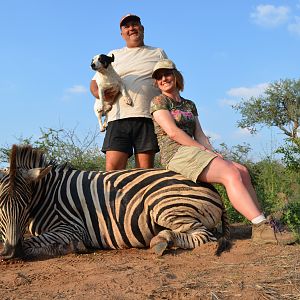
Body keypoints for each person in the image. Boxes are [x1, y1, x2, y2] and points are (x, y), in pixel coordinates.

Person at [150, 59, 296, 245]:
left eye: (167, 74)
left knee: (242, 170)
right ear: (156, 82)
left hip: (194, 150)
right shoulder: (159, 101)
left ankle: (262, 225)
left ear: (176, 75)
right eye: (159, 77)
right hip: (176, 153)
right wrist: (202, 149)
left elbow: (200, 134)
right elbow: (173, 132)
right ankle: (262, 226)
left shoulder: (189, 104)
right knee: (230, 173)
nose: (163, 79)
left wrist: (212, 152)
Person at [90, 14, 168, 171]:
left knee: (144, 174)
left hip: (147, 117)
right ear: (122, 33)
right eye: (126, 26)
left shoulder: (158, 53)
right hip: (117, 117)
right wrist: (102, 96)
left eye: (134, 24)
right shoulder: (112, 55)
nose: (131, 28)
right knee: (112, 173)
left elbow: (168, 80)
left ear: (142, 28)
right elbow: (94, 83)